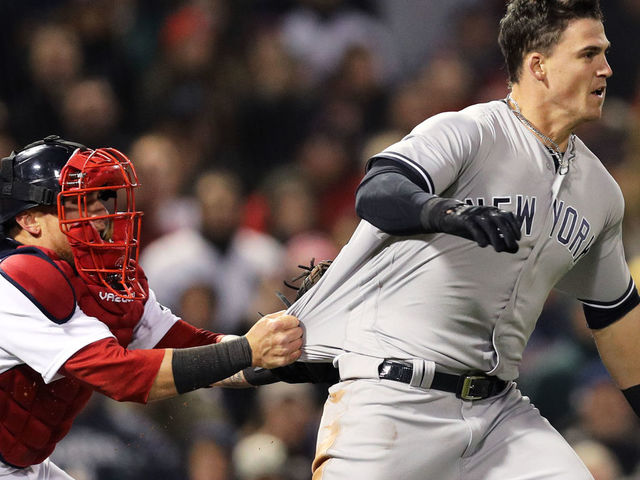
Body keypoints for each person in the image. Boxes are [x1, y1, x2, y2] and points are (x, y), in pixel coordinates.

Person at [253, 1, 640, 478]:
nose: (607, 67)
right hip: (394, 398)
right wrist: (443, 211)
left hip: (499, 413)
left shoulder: (600, 192)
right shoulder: (471, 131)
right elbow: (378, 188)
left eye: (603, 52)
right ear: (538, 65)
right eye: (589, 54)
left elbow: (615, 314)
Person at [0, 135, 303, 479]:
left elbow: (184, 346)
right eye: (79, 202)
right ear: (30, 221)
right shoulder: (13, 281)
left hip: (25, 465)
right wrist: (248, 351)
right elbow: (121, 376)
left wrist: (287, 360)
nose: (100, 213)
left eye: (101, 200)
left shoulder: (92, 277)